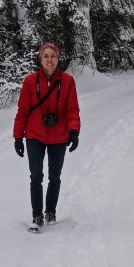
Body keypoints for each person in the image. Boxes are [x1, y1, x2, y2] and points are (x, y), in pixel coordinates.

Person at [13, 43, 81, 230]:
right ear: (40, 59)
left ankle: (50, 211)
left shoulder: (67, 81)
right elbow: (23, 111)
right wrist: (18, 137)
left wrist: (74, 132)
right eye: (46, 56)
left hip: (59, 136)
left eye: (53, 56)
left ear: (58, 59)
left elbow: (73, 110)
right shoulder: (30, 81)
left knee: (55, 176)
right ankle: (37, 216)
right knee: (36, 176)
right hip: (35, 135)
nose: (49, 60)